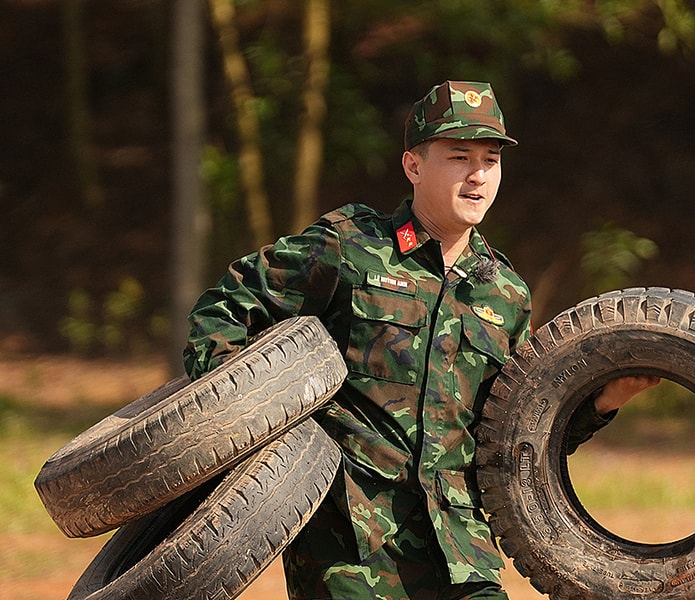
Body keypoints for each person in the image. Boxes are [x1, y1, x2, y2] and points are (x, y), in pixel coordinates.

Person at [183, 80, 655, 600]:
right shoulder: (350, 248)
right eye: (459, 157)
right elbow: (225, 310)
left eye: (491, 160)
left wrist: (608, 399)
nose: (478, 175)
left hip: (461, 553)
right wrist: (239, 430)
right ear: (413, 166)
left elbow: (520, 436)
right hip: (350, 553)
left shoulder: (504, 293)